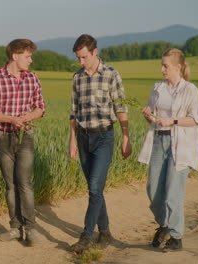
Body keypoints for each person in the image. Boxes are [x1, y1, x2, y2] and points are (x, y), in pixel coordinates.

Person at [68, 34, 132, 254]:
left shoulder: (111, 75)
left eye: (83, 57)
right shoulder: (77, 78)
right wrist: (72, 140)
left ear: (95, 52)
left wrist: (126, 136)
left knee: (95, 188)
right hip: (83, 138)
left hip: (104, 137)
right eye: (78, 58)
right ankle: (104, 233)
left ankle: (86, 236)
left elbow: (121, 107)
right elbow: (73, 112)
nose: (80, 62)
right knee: (95, 189)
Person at [0, 39, 45, 246]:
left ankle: (31, 229)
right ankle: (15, 228)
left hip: (25, 136)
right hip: (3, 136)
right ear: (15, 56)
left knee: (24, 183)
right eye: (28, 56)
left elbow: (40, 108)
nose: (31, 60)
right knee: (10, 186)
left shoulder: (32, 78)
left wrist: (26, 117)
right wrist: (11, 119)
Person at [138, 48, 198, 252]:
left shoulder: (190, 90)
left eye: (165, 65)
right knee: (153, 189)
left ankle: (176, 237)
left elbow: (195, 119)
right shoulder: (158, 87)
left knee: (173, 193)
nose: (162, 69)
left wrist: (173, 120)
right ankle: (164, 224)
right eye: (162, 64)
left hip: (180, 145)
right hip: (159, 141)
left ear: (177, 67)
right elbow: (153, 116)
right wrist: (149, 115)